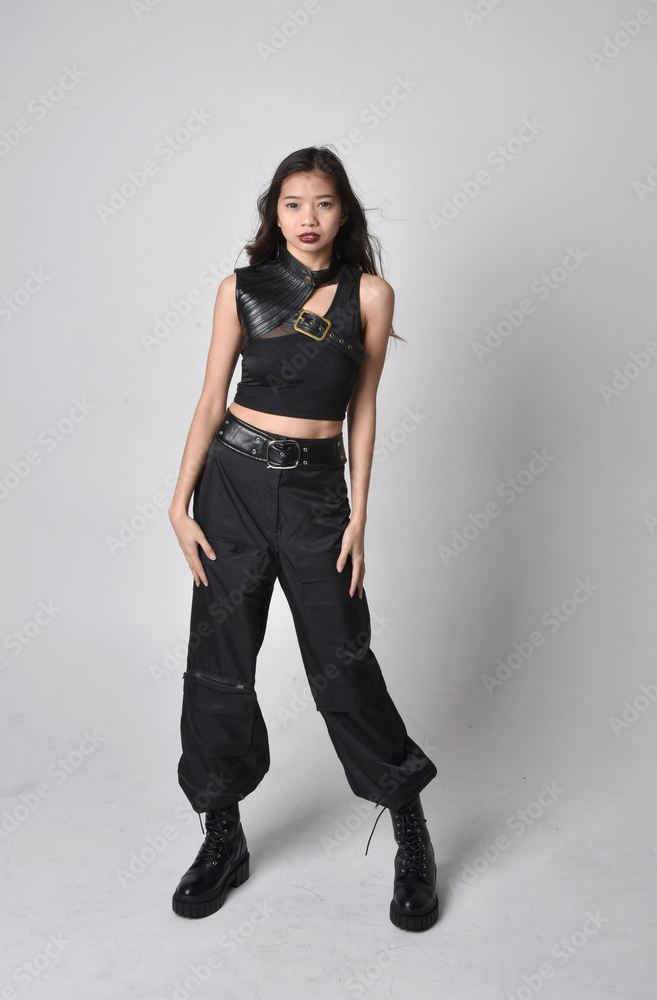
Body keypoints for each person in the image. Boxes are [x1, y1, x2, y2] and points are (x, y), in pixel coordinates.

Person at [167, 145, 439, 931]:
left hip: (319, 496)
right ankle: (224, 834)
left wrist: (359, 513)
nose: (308, 219)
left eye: (322, 203)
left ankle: (408, 823)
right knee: (218, 668)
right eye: (293, 204)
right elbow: (211, 396)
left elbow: (363, 406)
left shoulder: (372, 295)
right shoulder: (239, 290)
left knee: (343, 664)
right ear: (273, 212)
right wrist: (179, 502)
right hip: (232, 488)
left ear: (343, 210)